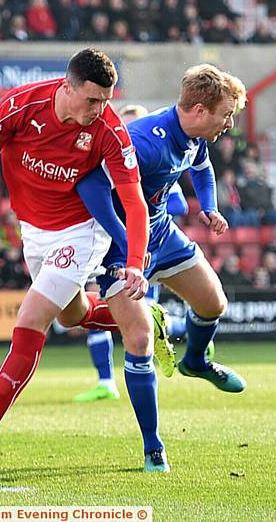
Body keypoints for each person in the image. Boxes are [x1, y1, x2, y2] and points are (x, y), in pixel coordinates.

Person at [0, 49, 174, 473]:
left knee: (31, 319)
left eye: (106, 100)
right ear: (66, 87)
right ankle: (146, 319)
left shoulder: (109, 130)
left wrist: (137, 263)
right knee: (74, 315)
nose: (100, 109)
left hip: (81, 232)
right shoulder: (20, 106)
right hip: (33, 231)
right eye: (92, 100)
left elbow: (135, 204)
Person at [76, 64, 247, 399]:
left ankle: (195, 361)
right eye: (227, 115)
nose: (230, 124)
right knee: (138, 341)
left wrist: (209, 206)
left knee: (214, 303)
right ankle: (152, 446)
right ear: (199, 110)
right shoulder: (145, 142)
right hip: (119, 244)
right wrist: (124, 237)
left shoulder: (195, 137)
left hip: (161, 233)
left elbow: (203, 167)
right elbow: (91, 186)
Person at [73, 103, 190, 403]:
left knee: (140, 330)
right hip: (110, 245)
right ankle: (105, 381)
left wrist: (145, 207)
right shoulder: (111, 163)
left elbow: (180, 206)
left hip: (147, 247)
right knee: (94, 311)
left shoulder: (155, 160)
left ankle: (187, 330)